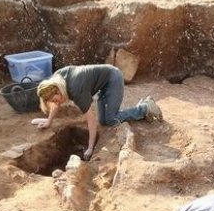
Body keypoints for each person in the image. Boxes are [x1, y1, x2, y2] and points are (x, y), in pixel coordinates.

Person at [35, 64, 163, 160]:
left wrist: (91, 148)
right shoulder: (55, 82)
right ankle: (142, 105)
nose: (57, 104)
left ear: (58, 91)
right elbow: (55, 104)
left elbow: (91, 120)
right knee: (104, 120)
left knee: (111, 120)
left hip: (113, 79)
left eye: (55, 100)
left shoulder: (76, 90)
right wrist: (48, 121)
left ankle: (145, 108)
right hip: (103, 84)